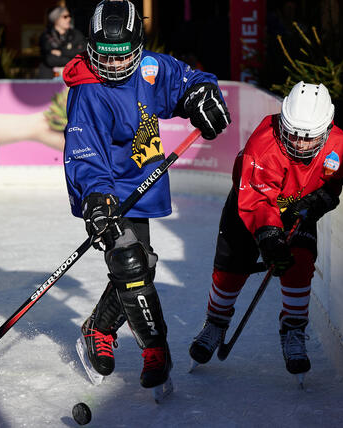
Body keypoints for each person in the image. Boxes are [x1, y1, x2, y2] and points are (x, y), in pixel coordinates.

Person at [63, 0, 230, 393]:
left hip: (142, 179)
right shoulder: (89, 92)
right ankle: (156, 349)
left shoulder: (151, 68)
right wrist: (97, 201)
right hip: (107, 188)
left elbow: (189, 81)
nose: (116, 67)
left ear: (138, 46)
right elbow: (84, 153)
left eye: (124, 58)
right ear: (91, 48)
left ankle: (97, 327)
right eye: (106, 57)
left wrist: (202, 97)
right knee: (130, 261)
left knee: (142, 265)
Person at [188, 81, 343, 379]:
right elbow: (257, 203)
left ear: (326, 129)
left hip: (296, 210)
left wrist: (323, 199)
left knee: (299, 263)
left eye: (308, 138)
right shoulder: (263, 147)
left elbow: (333, 182)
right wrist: (271, 239)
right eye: (293, 135)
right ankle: (216, 321)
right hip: (249, 207)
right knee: (230, 269)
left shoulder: (338, 144)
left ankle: (293, 329)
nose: (299, 144)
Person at [37, 6, 86, 78]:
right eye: (65, 16)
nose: (69, 19)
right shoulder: (46, 36)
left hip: (73, 76)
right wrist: (73, 56)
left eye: (69, 16)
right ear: (56, 19)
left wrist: (61, 52)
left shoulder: (76, 34)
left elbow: (83, 53)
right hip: (50, 78)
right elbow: (50, 59)